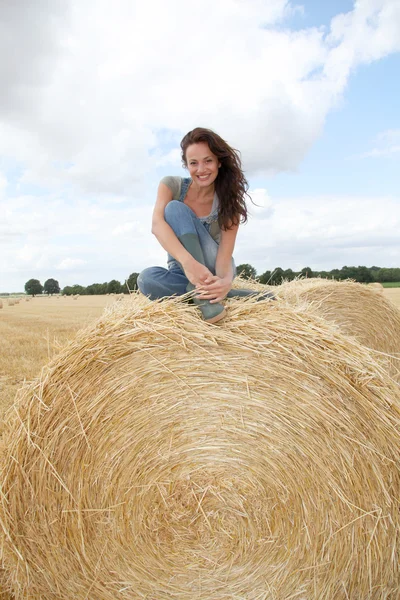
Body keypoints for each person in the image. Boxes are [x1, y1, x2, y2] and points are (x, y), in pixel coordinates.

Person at [137, 127, 273, 323]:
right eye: (194, 163)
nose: (201, 169)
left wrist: (225, 282)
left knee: (175, 209)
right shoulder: (171, 185)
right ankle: (215, 296)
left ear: (219, 162)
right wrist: (189, 264)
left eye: (208, 160)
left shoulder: (228, 201)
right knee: (146, 279)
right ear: (186, 165)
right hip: (181, 267)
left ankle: (202, 293)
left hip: (214, 267)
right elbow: (157, 225)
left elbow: (225, 256)